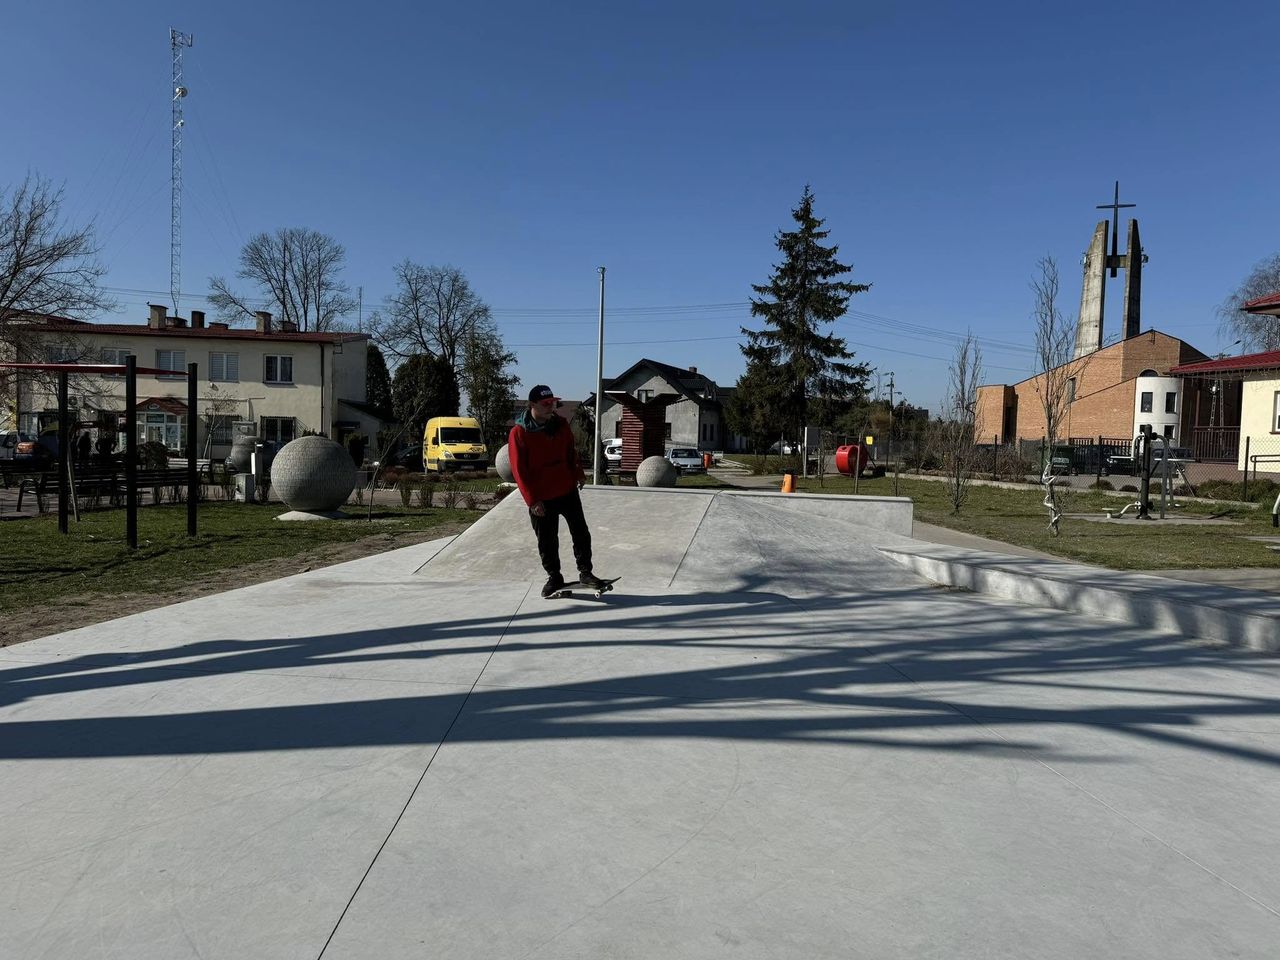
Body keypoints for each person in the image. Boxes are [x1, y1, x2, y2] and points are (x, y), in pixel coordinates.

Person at [508, 384, 608, 598]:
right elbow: (519, 471)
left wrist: (578, 473)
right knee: (547, 539)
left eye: (552, 403)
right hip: (541, 497)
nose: (550, 407)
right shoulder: (519, 433)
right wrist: (532, 500)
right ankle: (554, 576)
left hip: (566, 489)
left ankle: (586, 572)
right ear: (532, 404)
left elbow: (570, 452)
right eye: (545, 404)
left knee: (581, 532)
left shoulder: (561, 424)